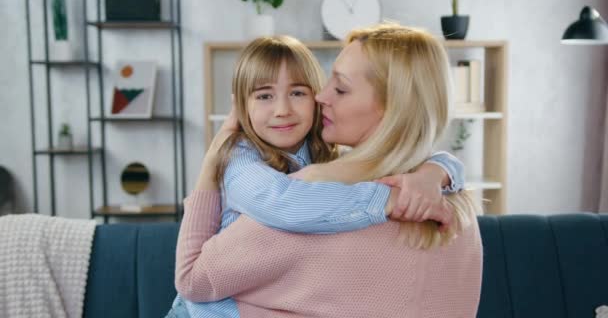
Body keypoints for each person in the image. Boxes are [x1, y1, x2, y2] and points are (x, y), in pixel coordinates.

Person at [168, 28, 479, 317]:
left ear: (393, 107)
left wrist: (209, 170)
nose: (321, 97)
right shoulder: (456, 207)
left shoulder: (313, 191)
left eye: (340, 89)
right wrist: (435, 173)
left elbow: (192, 278)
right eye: (264, 95)